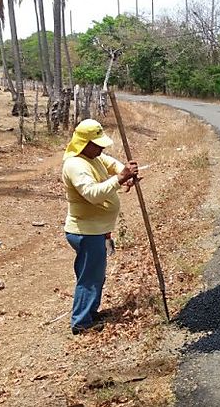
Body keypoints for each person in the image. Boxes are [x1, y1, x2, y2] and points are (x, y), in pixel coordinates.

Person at [62, 119, 139, 335]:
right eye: (97, 144)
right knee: (89, 278)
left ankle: (90, 312)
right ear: (84, 143)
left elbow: (111, 163)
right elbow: (93, 195)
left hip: (97, 229)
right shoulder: (75, 165)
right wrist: (120, 179)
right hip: (86, 232)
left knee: (95, 275)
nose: (102, 148)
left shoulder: (93, 156)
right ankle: (81, 322)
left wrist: (125, 172)